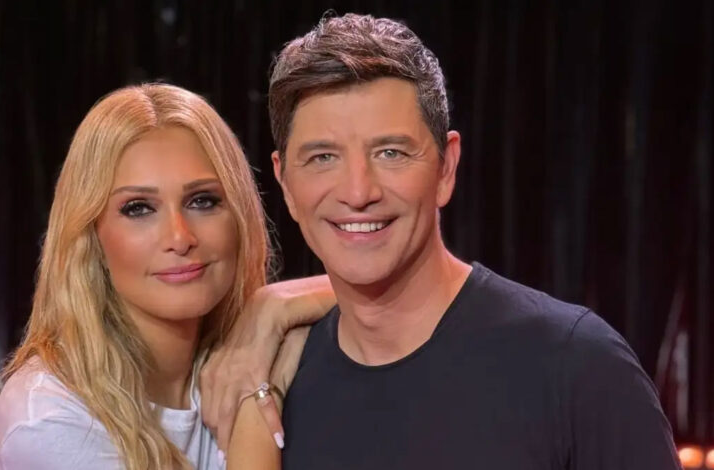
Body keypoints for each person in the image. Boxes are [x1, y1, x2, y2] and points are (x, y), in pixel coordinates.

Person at [261, 13, 681, 469]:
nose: (358, 192)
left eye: (391, 153)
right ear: (285, 184)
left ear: (446, 168)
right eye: (323, 158)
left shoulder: (577, 366)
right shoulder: (275, 387)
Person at [0, 83, 333, 470]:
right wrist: (259, 394)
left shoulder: (237, 356)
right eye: (138, 208)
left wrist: (271, 308)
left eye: (202, 201)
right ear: (91, 236)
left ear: (240, 216)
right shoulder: (49, 420)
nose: (180, 238)